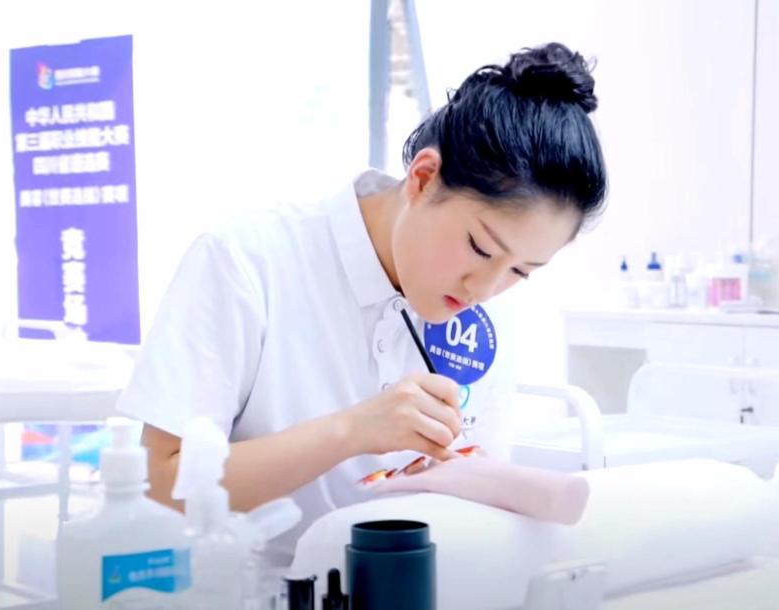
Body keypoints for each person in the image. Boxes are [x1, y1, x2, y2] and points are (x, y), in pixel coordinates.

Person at [115, 41, 607, 558]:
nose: (483, 289)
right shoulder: (247, 261)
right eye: (480, 248)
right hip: (248, 585)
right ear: (423, 178)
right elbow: (158, 484)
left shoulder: (489, 313)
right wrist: (349, 431)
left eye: (521, 271)